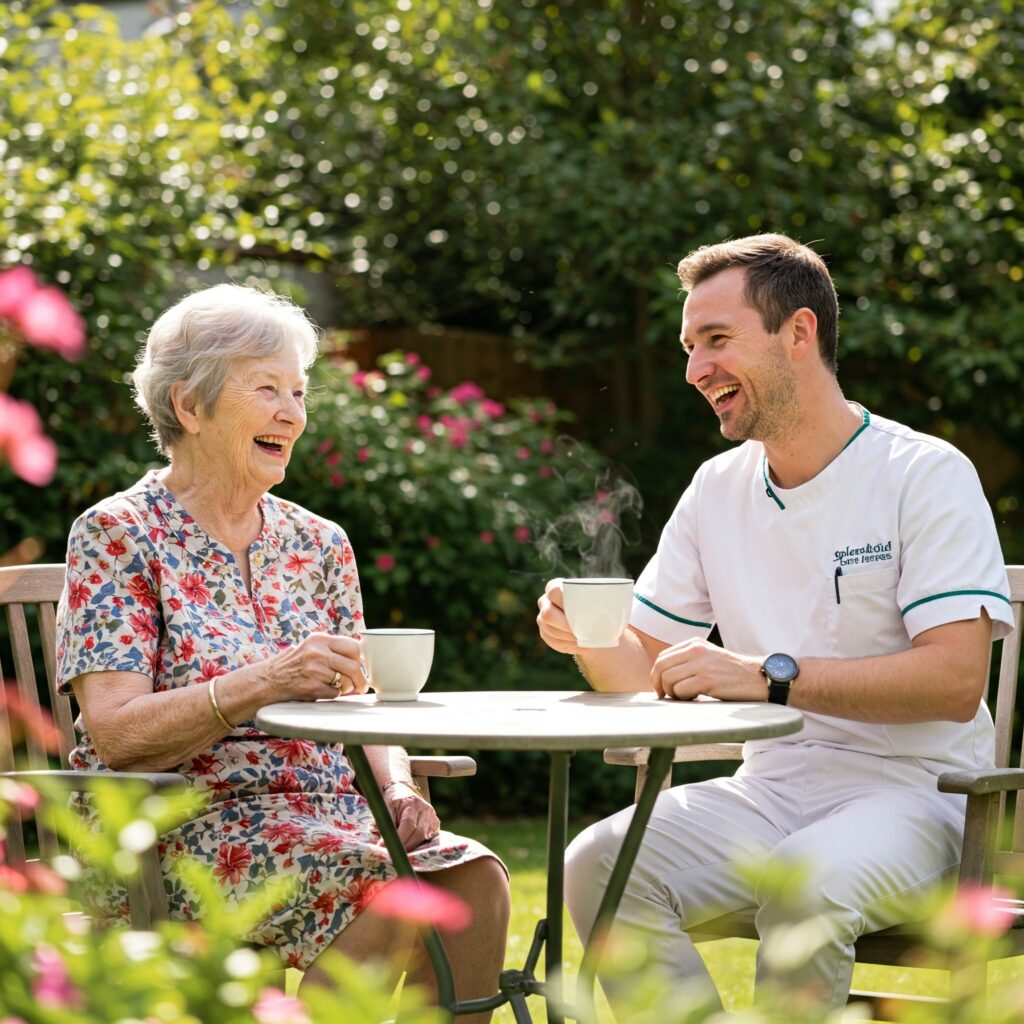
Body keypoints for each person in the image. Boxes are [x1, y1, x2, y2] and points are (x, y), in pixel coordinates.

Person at [536, 234, 1014, 1011]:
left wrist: (765, 678)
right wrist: (586, 633)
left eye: (717, 340)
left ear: (799, 334)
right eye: (690, 347)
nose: (695, 370)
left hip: (920, 797)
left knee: (805, 889)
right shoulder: (717, 487)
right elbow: (635, 668)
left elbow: (956, 682)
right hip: (772, 791)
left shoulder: (923, 473)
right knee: (597, 865)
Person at [56, 283, 509, 1019]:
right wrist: (261, 682)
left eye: (298, 392)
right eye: (267, 389)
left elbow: (364, 700)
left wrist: (394, 785)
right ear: (190, 407)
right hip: (183, 823)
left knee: (476, 880)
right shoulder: (119, 533)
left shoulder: (320, 542)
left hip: (333, 812)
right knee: (388, 892)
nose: (293, 413)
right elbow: (115, 732)